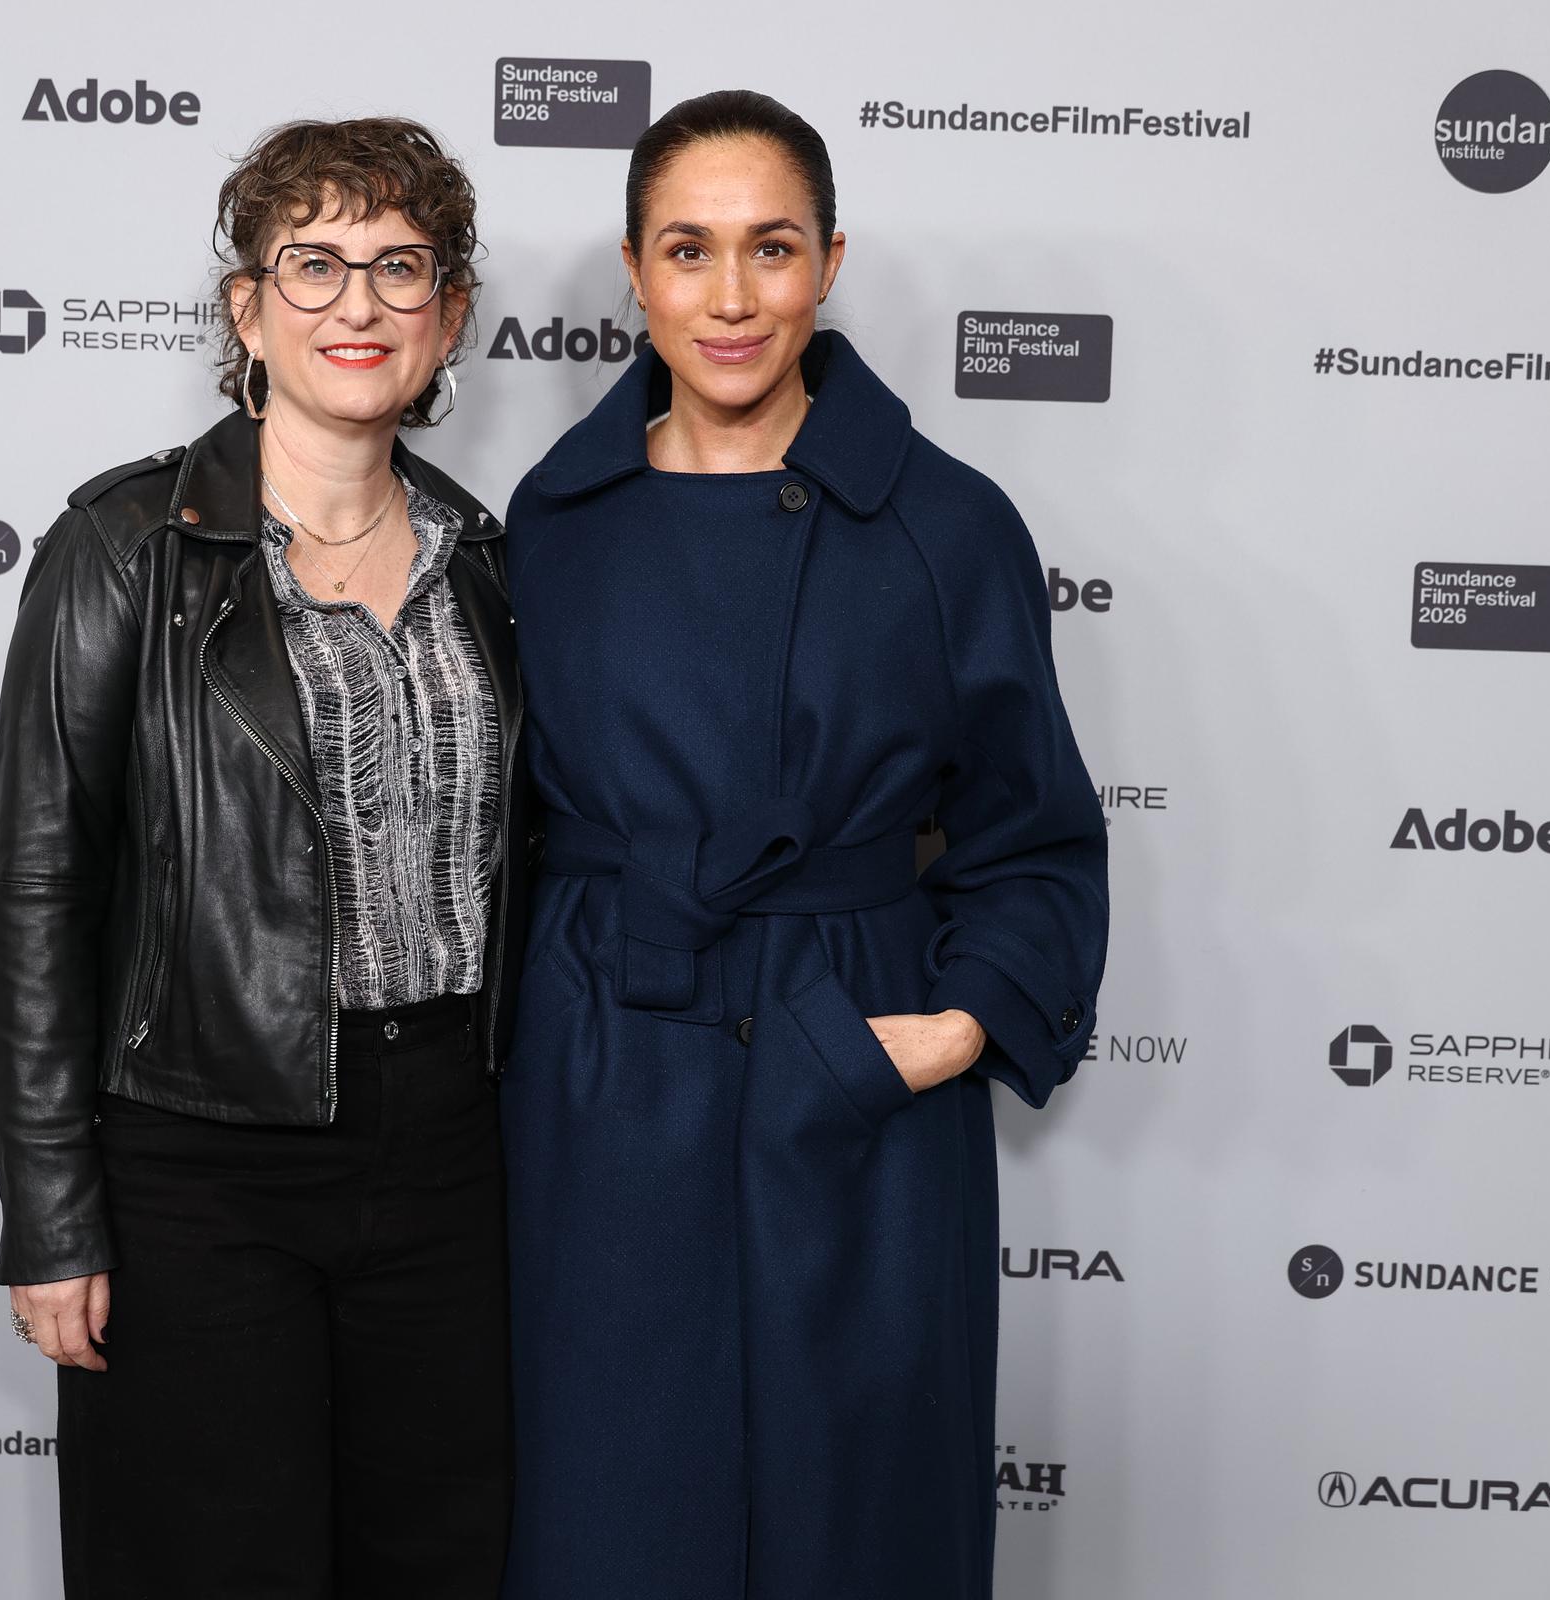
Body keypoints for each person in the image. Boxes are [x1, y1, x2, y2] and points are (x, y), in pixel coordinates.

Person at [499, 90, 1108, 1598]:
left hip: (853, 1057)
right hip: (603, 1074)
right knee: (606, 1505)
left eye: (769, 248)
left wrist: (949, 1032)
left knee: (858, 1515)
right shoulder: (553, 521)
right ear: (634, 273)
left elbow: (1034, 830)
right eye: (687, 250)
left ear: (830, 262)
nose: (728, 297)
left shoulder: (947, 524)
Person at [0, 116, 523, 1599]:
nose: (359, 304)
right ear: (248, 308)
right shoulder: (121, 548)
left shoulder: (492, 560)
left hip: (449, 1154)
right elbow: (42, 891)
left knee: (435, 1561)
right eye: (316, 264)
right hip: (198, 1162)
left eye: (399, 268)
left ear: (451, 313)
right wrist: (51, 1212)